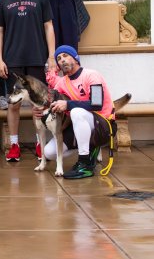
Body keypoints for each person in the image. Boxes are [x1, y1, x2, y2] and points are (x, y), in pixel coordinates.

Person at [0, 0, 56, 162]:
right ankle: (14, 145)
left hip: (37, 58)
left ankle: (41, 144)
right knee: (14, 104)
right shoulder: (2, 1)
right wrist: (0, 60)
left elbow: (48, 27)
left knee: (39, 104)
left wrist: (51, 56)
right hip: (13, 61)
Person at [45, 45, 116, 179]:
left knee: (76, 111)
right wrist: (40, 109)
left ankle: (85, 164)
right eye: (59, 58)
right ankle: (90, 148)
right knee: (49, 152)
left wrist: (68, 104)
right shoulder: (61, 83)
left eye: (66, 56)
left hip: (104, 126)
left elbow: (96, 104)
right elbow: (49, 100)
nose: (62, 60)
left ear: (76, 58)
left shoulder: (91, 75)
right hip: (81, 124)